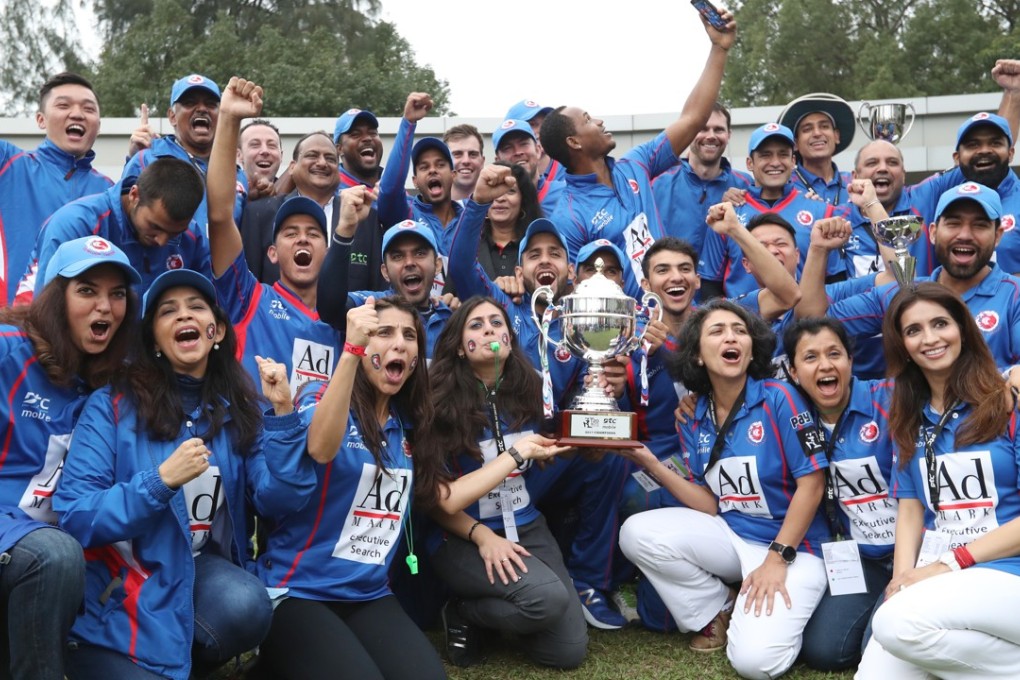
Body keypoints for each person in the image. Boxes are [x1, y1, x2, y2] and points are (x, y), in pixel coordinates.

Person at [54, 268, 314, 680]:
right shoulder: (111, 406)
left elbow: (281, 499)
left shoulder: (237, 408)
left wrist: (283, 415)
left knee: (245, 605)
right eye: (167, 312)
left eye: (196, 307)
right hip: (121, 586)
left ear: (218, 331)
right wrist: (158, 482)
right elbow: (75, 512)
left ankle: (187, 659)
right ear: (154, 340)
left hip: (197, 572)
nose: (184, 316)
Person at [619, 299, 828, 679]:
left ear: (751, 350)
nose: (731, 337)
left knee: (755, 664)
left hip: (794, 548)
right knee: (637, 532)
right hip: (733, 537)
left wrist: (777, 559)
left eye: (739, 330)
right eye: (717, 331)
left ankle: (782, 617)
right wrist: (651, 464)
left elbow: (812, 484)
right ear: (697, 356)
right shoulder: (692, 415)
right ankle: (720, 607)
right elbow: (711, 505)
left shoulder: (779, 397)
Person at [254, 296, 446, 680]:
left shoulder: (408, 425)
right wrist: (350, 351)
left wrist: (517, 454)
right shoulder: (323, 404)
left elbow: (442, 495)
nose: (400, 343)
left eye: (409, 335)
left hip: (368, 594)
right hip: (299, 592)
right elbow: (322, 450)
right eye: (384, 332)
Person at [855, 282, 1020, 678]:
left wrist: (948, 564)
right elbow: (911, 508)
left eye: (940, 323)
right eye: (913, 330)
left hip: (1006, 571)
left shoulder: (1009, 400)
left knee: (897, 625)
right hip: (942, 575)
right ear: (902, 345)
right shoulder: (909, 417)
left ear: (962, 328)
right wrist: (899, 579)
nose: (929, 338)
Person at [420, 296, 586, 668]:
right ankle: (463, 611)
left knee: (566, 651)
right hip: (461, 534)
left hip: (526, 525)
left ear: (510, 338)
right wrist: (482, 534)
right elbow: (439, 500)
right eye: (476, 325)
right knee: (547, 600)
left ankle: (485, 613)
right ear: (460, 348)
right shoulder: (437, 401)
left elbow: (553, 441)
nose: (490, 329)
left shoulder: (531, 388)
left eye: (497, 322)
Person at [0, 236, 138, 680]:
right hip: (26, 540)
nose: (105, 307)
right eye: (87, 290)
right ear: (56, 299)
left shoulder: (112, 381)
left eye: (116, 294)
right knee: (56, 553)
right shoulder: (8, 350)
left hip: (52, 553)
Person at [540, 12, 735, 299]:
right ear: (574, 142)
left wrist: (719, 48)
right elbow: (569, 290)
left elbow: (693, 119)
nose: (599, 122)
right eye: (588, 120)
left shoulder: (636, 164)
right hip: (626, 332)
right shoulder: (568, 216)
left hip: (675, 312)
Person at [207, 77, 342, 391]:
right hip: (257, 439)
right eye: (290, 233)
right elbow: (218, 216)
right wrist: (228, 119)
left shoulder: (347, 319)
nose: (303, 239)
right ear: (272, 252)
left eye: (313, 233)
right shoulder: (249, 300)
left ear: (328, 251)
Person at [782, 317, 896, 671]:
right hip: (859, 557)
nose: (826, 365)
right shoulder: (789, 417)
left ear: (851, 360)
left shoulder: (891, 397)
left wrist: (1010, 377)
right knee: (823, 651)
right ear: (793, 371)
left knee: (886, 646)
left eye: (835, 354)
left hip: (918, 552)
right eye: (810, 357)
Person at [15, 157, 209, 304]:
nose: (161, 241)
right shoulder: (75, 225)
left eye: (175, 234)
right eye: (155, 227)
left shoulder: (193, 237)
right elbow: (48, 312)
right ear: (134, 195)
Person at [0, 72, 112, 303]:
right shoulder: (10, 164)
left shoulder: (109, 191)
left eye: (89, 109)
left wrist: (140, 161)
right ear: (41, 119)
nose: (77, 114)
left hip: (84, 330)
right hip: (14, 324)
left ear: (98, 127)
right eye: (63, 105)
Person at [124, 74, 246, 230]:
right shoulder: (148, 159)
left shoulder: (236, 173)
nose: (202, 109)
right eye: (190, 103)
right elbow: (125, 219)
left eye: (210, 104)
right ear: (172, 116)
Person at [652, 102, 753, 259]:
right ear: (690, 132)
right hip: (672, 280)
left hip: (723, 282)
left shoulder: (745, 185)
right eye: (703, 129)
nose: (711, 136)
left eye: (718, 129)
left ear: (729, 135)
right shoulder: (657, 184)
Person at [239, 131, 341, 285]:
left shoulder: (363, 217)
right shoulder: (258, 214)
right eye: (312, 155)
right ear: (292, 167)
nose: (322, 163)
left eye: (330, 158)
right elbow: (248, 281)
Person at [776, 93, 855, 206]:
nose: (817, 133)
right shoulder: (783, 186)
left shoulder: (854, 182)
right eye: (807, 129)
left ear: (836, 136)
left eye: (824, 126)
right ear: (795, 143)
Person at [238, 118, 283, 199]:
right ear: (239, 155)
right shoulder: (223, 192)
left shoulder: (297, 196)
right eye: (255, 145)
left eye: (271, 145)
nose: (265, 151)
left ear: (281, 156)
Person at [444, 124, 485, 203]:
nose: (466, 161)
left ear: (482, 161)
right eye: (457, 154)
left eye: (473, 154)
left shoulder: (497, 209)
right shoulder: (427, 210)